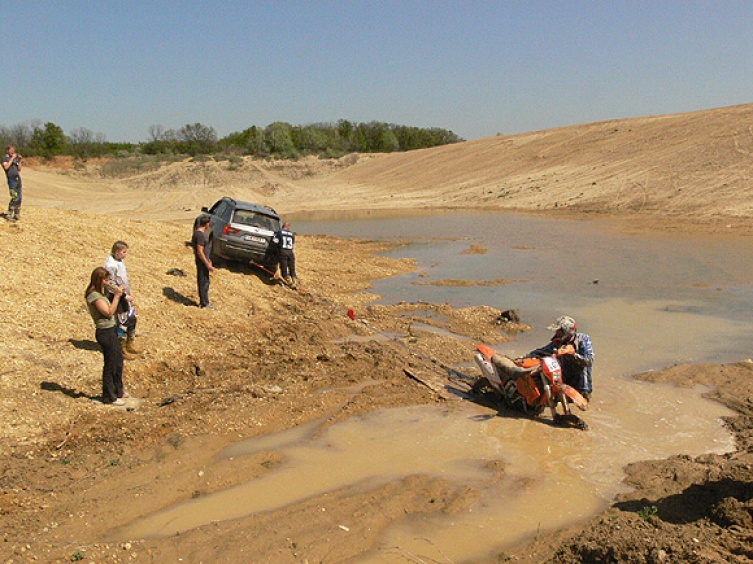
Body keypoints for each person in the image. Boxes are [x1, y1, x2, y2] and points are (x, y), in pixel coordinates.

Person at [524, 315, 594, 400]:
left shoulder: (583, 340)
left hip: (581, 382)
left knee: (584, 369)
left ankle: (585, 393)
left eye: (560, 332)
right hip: (564, 378)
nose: (557, 334)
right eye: (557, 332)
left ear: (567, 331)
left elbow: (589, 360)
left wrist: (571, 354)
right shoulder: (558, 342)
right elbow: (542, 351)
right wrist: (526, 357)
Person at [85, 267, 127, 405]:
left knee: (118, 361)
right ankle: (109, 395)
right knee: (110, 363)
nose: (107, 282)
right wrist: (116, 297)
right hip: (105, 332)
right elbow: (108, 312)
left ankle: (118, 390)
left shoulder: (102, 294)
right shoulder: (94, 296)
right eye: (105, 279)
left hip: (112, 329)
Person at [104, 240, 143, 356]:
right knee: (121, 322)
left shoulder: (119, 261)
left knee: (131, 319)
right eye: (124, 252)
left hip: (124, 294)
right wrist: (123, 296)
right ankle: (121, 348)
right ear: (117, 252)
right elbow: (110, 284)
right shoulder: (110, 265)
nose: (126, 254)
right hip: (117, 297)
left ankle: (130, 343)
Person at [192, 215, 215, 308]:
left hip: (204, 261)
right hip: (202, 262)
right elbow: (200, 252)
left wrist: (209, 261)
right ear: (206, 224)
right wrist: (207, 264)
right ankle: (204, 302)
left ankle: (204, 301)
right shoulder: (200, 235)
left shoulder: (199, 234)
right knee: (203, 282)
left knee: (205, 281)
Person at [272, 221, 297, 287]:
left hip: (283, 251)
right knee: (292, 268)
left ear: (283, 226)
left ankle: (288, 281)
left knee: (284, 268)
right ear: (288, 227)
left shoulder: (279, 232)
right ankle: (295, 281)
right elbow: (293, 243)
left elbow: (275, 241)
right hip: (290, 252)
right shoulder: (292, 234)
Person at [2, 145, 23, 222]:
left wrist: (20, 160)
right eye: (11, 150)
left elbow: (19, 169)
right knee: (14, 196)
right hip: (11, 179)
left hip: (17, 178)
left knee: (19, 196)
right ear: (7, 150)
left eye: (14, 150)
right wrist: (12, 158)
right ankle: (9, 214)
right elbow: (6, 167)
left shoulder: (15, 160)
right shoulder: (5, 158)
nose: (13, 152)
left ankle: (17, 213)